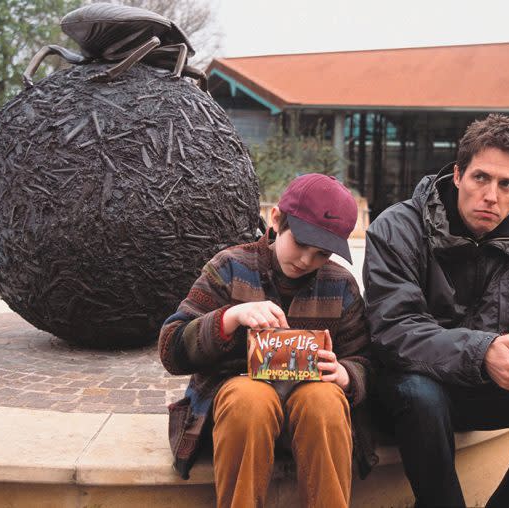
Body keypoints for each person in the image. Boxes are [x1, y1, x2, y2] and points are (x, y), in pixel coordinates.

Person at [363, 114, 509, 508]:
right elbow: (395, 330)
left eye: (506, 184)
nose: (491, 195)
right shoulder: (397, 227)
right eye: (481, 178)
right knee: (420, 393)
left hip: (488, 388)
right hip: (413, 389)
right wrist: (483, 351)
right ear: (458, 175)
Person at [159, 173, 373, 508]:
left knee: (325, 400)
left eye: (321, 254)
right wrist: (229, 318)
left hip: (312, 415)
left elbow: (364, 358)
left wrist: (348, 373)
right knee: (250, 398)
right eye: (301, 244)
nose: (306, 261)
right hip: (239, 417)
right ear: (276, 219)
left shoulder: (341, 285)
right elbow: (172, 349)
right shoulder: (229, 267)